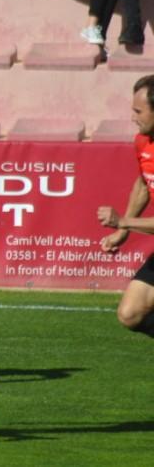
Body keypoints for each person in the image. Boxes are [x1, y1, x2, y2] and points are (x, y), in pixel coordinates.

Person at [96, 74, 154, 338]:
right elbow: (143, 183)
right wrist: (123, 230)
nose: (133, 117)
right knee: (130, 313)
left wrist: (123, 221)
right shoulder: (143, 141)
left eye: (138, 111)